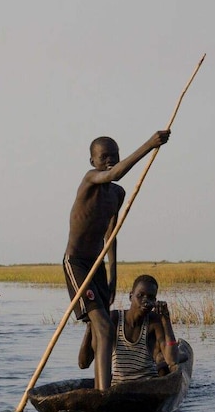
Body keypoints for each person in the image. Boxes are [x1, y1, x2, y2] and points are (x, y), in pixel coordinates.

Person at [63, 130, 170, 390]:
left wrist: (113, 276)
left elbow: (111, 236)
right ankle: (103, 393)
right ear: (93, 162)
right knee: (103, 327)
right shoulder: (90, 179)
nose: (110, 160)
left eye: (115, 156)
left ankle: (103, 385)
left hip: (97, 264)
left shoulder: (117, 195)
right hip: (76, 262)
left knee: (104, 331)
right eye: (104, 157)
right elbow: (114, 173)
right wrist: (149, 144)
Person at [110, 275, 182, 385]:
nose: (145, 301)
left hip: (149, 386)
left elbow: (171, 360)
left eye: (150, 297)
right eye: (140, 295)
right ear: (130, 296)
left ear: (155, 301)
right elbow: (83, 362)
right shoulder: (115, 318)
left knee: (164, 365)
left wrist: (166, 320)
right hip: (119, 386)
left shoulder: (154, 322)